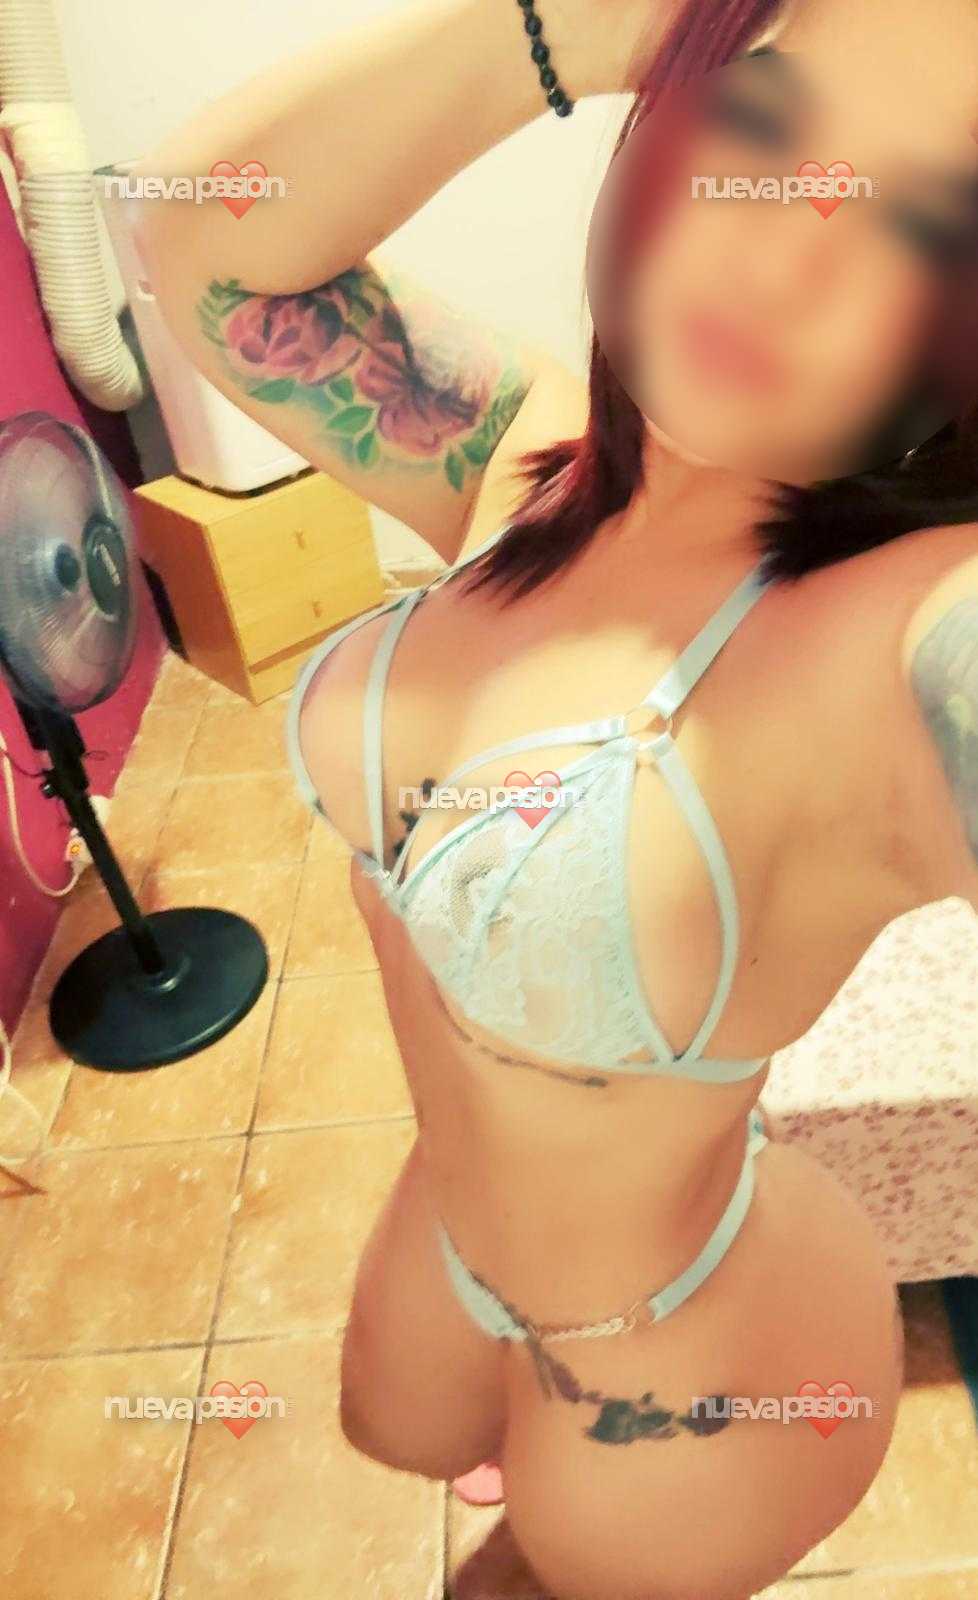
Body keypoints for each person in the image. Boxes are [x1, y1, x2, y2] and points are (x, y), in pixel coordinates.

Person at [132, 0, 978, 1594]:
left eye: (924, 231)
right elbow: (200, 242)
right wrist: (595, 24)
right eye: (759, 130)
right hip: (442, 1233)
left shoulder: (889, 644)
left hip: (683, 1366)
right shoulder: (523, 450)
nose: (779, 261)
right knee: (396, 1431)